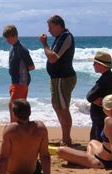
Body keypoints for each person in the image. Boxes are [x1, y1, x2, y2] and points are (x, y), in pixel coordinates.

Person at [39, 15, 77, 146]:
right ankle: (65, 137)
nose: (48, 30)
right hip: (57, 78)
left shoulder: (65, 37)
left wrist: (44, 44)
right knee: (57, 106)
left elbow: (53, 58)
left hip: (63, 77)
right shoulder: (59, 38)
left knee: (63, 108)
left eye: (50, 27)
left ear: (58, 26)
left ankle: (66, 139)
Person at [0, 99, 52, 174]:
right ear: (30, 112)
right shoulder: (41, 128)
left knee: (0, 154)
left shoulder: (10, 129)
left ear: (14, 114)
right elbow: (45, 156)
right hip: (31, 173)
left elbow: (3, 157)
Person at [2, 25, 35, 123]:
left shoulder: (22, 49)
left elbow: (31, 66)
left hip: (21, 82)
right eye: (6, 37)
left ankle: (14, 127)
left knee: (13, 105)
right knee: (21, 108)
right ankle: (23, 128)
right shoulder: (13, 48)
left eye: (9, 37)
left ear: (15, 35)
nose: (7, 40)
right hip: (15, 81)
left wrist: (22, 73)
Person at [86, 51, 112, 141]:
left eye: (95, 63)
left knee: (98, 141)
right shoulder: (109, 78)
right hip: (102, 115)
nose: (93, 65)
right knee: (103, 139)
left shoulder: (104, 80)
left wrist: (93, 99)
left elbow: (89, 96)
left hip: (100, 115)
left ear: (102, 65)